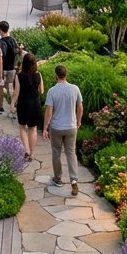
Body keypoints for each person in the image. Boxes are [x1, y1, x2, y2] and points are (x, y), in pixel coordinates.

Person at [42, 64, 84, 195]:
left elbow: (49, 111)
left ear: (56, 76)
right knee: (71, 153)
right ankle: (74, 181)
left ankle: (58, 178)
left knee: (56, 153)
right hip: (71, 127)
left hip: (57, 127)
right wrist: (78, 120)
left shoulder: (52, 91)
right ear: (66, 74)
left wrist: (45, 128)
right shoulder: (75, 89)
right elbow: (80, 107)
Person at [12, 50, 44, 161]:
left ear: (24, 63)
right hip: (35, 104)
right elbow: (42, 91)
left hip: (23, 104)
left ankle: (26, 150)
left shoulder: (19, 76)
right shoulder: (38, 75)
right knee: (33, 128)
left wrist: (12, 105)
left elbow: (16, 93)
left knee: (22, 127)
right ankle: (32, 153)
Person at [0, 21, 19, 113]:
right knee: (12, 88)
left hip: (2, 69)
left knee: (1, 87)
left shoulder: (0, 42)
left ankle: (0, 106)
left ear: (1, 30)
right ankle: (12, 104)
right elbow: (17, 51)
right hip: (12, 68)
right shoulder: (13, 40)